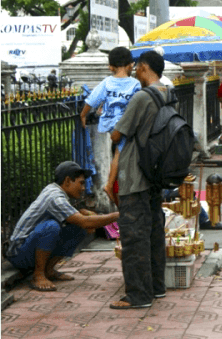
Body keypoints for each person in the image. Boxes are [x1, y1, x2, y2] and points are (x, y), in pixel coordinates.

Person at [109, 50, 169, 309]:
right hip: (156, 173)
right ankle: (156, 288)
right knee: (155, 232)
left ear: (144, 67)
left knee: (134, 236)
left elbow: (117, 134)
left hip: (135, 174)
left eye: (137, 68)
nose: (135, 73)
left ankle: (138, 295)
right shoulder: (169, 94)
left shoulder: (142, 97)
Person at [6, 161, 119, 291]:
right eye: (81, 183)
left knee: (78, 228)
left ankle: (48, 271)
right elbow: (84, 221)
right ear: (67, 181)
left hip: (29, 250)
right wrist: (117, 215)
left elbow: (81, 221)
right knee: (51, 227)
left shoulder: (56, 192)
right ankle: (38, 275)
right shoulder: (54, 196)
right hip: (18, 254)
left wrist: (85, 214)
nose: (83, 188)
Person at [79, 47, 141, 199]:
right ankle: (109, 185)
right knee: (120, 153)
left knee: (120, 151)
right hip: (123, 124)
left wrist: (83, 115)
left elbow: (92, 100)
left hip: (108, 123)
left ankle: (112, 184)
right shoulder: (135, 84)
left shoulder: (107, 82)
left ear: (110, 67)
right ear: (131, 65)